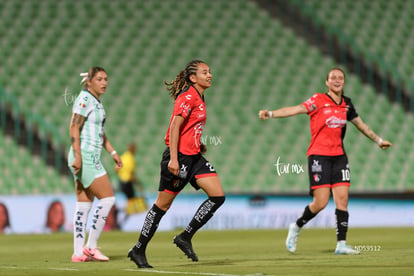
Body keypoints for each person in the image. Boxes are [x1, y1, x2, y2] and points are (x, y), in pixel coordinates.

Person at [258, 67, 392, 255]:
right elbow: (296, 109)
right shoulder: (318, 100)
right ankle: (296, 227)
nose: (337, 80)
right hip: (319, 156)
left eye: (340, 78)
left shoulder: (347, 104)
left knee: (342, 200)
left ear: (343, 82)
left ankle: (341, 244)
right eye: (333, 78)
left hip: (339, 157)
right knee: (320, 202)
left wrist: (378, 140)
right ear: (327, 82)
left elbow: (361, 125)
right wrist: (271, 114)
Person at [127, 60, 225, 268]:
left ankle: (185, 236)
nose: (210, 75)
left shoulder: (199, 96)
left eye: (210, 72)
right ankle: (138, 249)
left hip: (194, 157)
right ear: (192, 78)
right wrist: (173, 158)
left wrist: (199, 143)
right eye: (205, 72)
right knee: (162, 205)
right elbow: (174, 128)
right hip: (179, 158)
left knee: (217, 196)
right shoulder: (188, 97)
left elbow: (188, 128)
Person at [68, 66, 122, 262]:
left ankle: (77, 252)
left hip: (89, 155)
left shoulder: (96, 102)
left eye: (106, 79)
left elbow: (99, 131)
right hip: (86, 155)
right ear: (89, 81)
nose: (104, 82)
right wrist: (78, 155)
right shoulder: (85, 99)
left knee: (83, 204)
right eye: (99, 79)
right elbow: (74, 125)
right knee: (108, 199)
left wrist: (113, 152)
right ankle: (91, 247)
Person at [116, 143, 147, 214]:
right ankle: (124, 214)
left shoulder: (123, 156)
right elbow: (131, 174)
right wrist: (138, 184)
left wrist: (122, 174)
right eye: (134, 149)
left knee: (130, 200)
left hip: (121, 181)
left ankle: (122, 213)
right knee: (131, 201)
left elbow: (116, 169)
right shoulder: (130, 158)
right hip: (127, 182)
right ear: (132, 149)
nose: (135, 150)